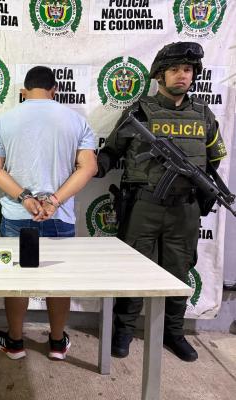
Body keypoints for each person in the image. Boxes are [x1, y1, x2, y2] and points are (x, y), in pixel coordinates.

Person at [96, 42, 228, 362]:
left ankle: (173, 332)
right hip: (144, 205)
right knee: (134, 269)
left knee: (178, 271)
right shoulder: (140, 112)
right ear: (159, 75)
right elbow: (111, 152)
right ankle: (124, 330)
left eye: (188, 70)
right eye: (175, 70)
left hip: (185, 209)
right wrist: (91, 167)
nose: (182, 75)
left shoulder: (203, 115)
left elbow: (213, 161)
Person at [0, 66, 97, 360]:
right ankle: (57, 343)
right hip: (59, 216)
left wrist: (24, 198)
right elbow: (89, 167)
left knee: (17, 280)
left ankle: (15, 342)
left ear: (23, 92)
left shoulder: (4, 121)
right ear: (54, 90)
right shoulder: (76, 121)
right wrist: (55, 200)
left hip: (17, 215)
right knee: (59, 282)